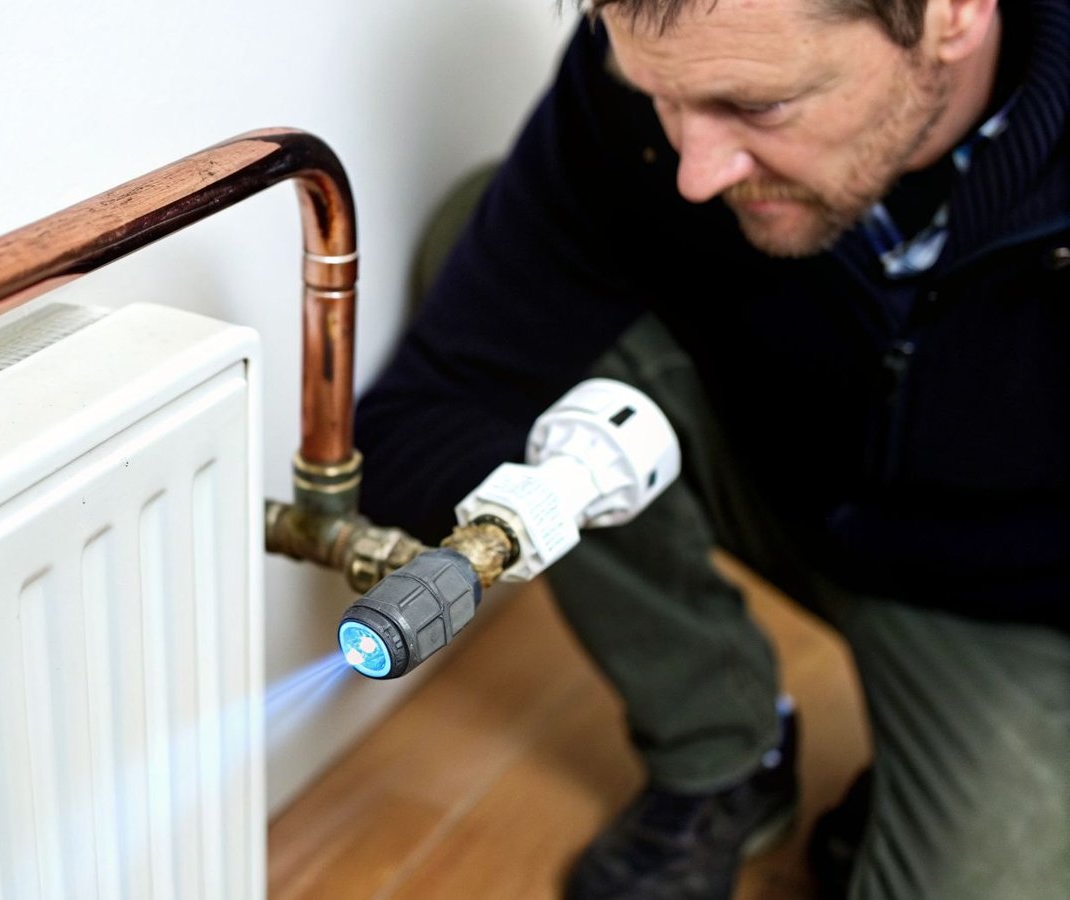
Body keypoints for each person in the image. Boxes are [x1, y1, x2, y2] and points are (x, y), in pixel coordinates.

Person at [353, 0, 1070, 896]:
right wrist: (531, 504)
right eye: (660, 97)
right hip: (782, 473)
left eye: (758, 106)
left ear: (953, 14)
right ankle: (725, 747)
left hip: (1016, 591)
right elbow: (423, 411)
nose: (696, 174)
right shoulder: (658, 75)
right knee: (477, 229)